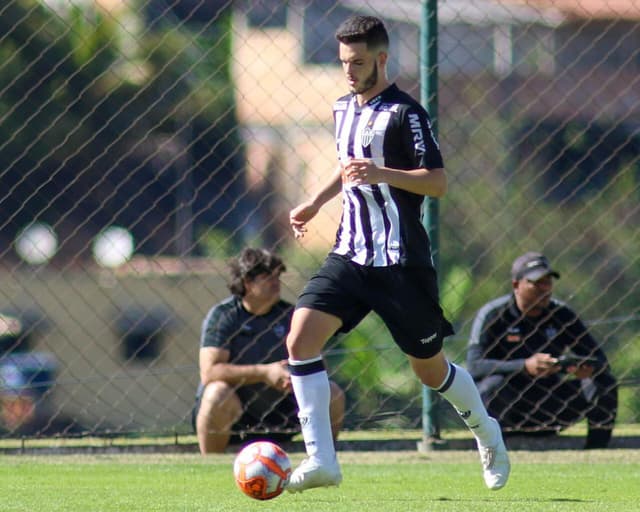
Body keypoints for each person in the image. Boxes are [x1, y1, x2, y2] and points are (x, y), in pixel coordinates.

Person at [285, 15, 509, 493]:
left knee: (430, 372)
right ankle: (322, 460)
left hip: (400, 262)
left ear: (382, 59)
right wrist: (316, 202)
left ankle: (487, 433)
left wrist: (385, 173)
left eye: (358, 62)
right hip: (349, 254)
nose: (349, 70)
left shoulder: (407, 114)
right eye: (344, 61)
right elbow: (349, 167)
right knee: (300, 339)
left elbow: (438, 182)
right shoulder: (342, 108)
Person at [193, 248, 345, 454]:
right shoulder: (224, 316)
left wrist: (294, 376)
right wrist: (265, 373)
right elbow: (210, 372)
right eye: (267, 277)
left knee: (332, 392)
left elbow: (317, 366)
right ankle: (210, 466)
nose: (276, 282)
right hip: (238, 415)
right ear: (247, 282)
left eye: (277, 276)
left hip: (282, 414)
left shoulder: (291, 315)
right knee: (216, 393)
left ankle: (325, 459)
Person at [466, 252, 618, 449]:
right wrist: (524, 366)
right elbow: (474, 366)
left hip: (551, 405)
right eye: (536, 283)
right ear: (516, 285)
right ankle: (488, 449)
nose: (544, 289)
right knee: (492, 386)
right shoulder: (493, 314)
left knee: (603, 383)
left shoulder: (561, 314)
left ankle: (596, 452)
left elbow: (600, 360)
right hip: (506, 408)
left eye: (548, 283)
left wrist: (573, 367)